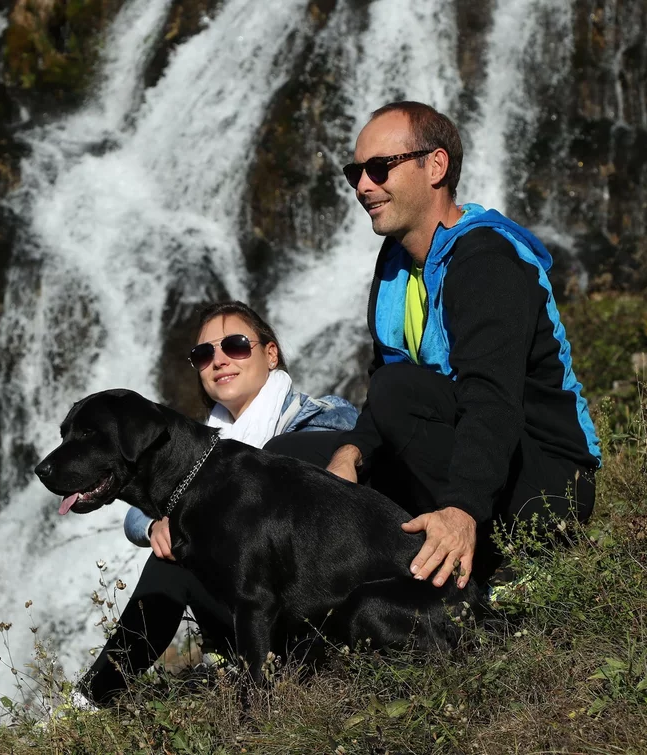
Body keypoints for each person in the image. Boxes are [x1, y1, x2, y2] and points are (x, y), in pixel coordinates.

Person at [270, 101, 601, 592]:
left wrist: (463, 508)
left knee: (400, 391)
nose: (363, 185)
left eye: (380, 168)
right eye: (354, 172)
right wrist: (351, 451)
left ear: (436, 166)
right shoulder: (396, 265)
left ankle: (498, 566)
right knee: (286, 454)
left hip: (546, 483)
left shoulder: (487, 260)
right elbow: (381, 386)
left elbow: (491, 400)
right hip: (457, 449)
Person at [80, 300, 357, 704]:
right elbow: (138, 509)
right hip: (248, 608)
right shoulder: (197, 445)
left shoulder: (320, 417)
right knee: (175, 549)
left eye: (236, 345)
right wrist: (156, 523)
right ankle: (95, 696)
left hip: (314, 600)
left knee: (190, 538)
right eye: (203, 354)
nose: (219, 360)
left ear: (270, 352)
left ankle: (97, 694)